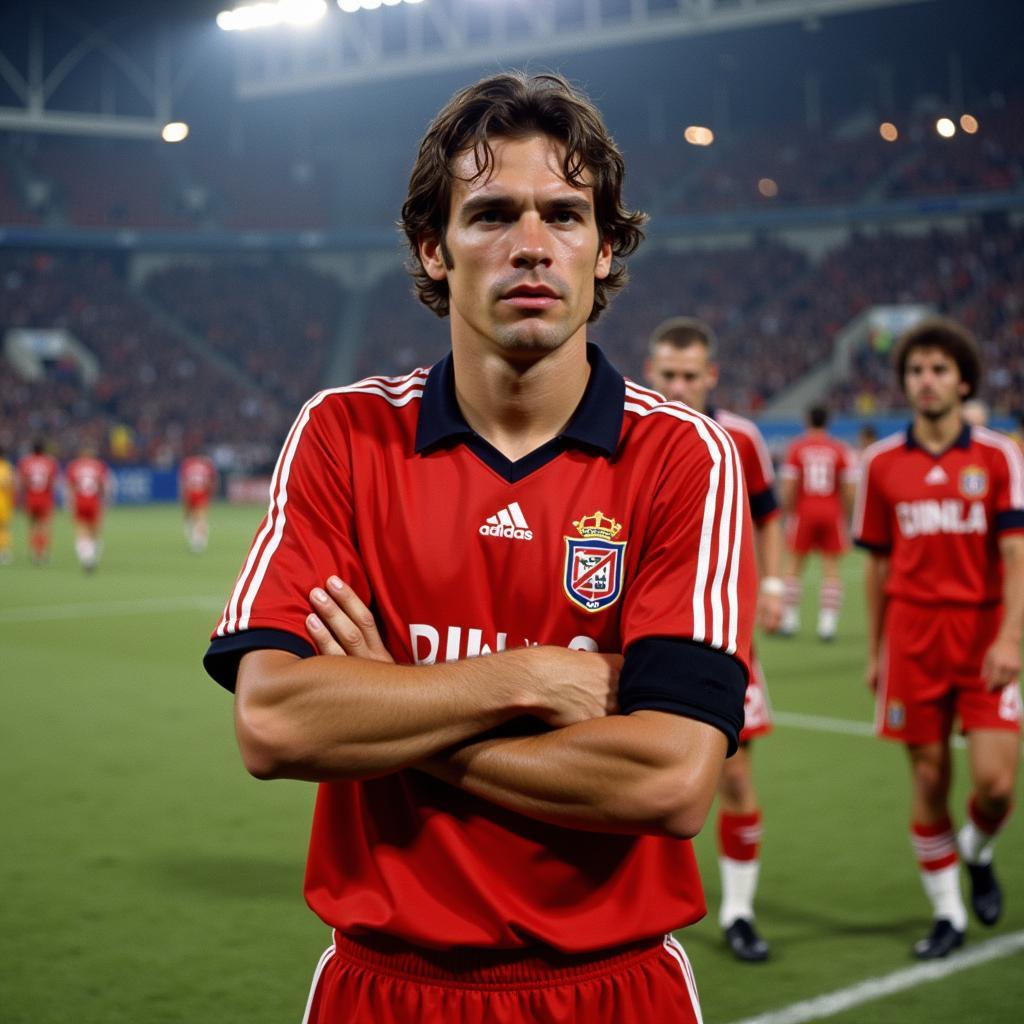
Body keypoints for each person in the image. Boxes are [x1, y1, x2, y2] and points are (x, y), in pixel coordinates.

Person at [204, 72, 756, 1023]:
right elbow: (277, 725)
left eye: (568, 216)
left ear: (607, 249)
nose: (532, 247)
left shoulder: (682, 454)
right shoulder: (344, 433)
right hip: (383, 986)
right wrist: (527, 678)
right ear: (434, 246)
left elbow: (669, 778)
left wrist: (393, 708)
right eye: (492, 213)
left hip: (611, 988)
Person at [854, 316, 1024, 959]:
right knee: (928, 781)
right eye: (916, 371)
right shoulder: (880, 464)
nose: (926, 381)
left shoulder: (999, 456)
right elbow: (874, 566)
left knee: (996, 783)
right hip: (912, 639)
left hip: (982, 638)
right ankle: (948, 913)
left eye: (939, 370)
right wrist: (875, 653)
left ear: (963, 380)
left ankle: (978, 852)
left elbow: (1016, 557)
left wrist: (1010, 641)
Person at [644, 316, 782, 963]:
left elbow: (767, 517)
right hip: (640, 641)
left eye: (689, 376)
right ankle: (637, 906)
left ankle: (738, 911)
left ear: (711, 376)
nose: (677, 387)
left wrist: (775, 587)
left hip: (725, 639)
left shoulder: (742, 439)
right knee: (633, 774)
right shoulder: (631, 432)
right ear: (651, 372)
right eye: (667, 375)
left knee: (733, 777)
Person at [778, 404, 856, 640]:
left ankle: (789, 620)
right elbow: (850, 488)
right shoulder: (840, 449)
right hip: (832, 511)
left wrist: (788, 512)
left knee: (793, 566)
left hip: (804, 510)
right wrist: (845, 514)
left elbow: (789, 487)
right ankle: (827, 625)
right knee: (831, 569)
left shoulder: (797, 448)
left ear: (807, 420)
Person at [65, 445, 112, 572]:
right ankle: (92, 556)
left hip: (79, 502)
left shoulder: (74, 466)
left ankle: (86, 558)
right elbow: (105, 485)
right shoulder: (99, 466)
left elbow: (70, 487)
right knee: (94, 531)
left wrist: (69, 503)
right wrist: (106, 500)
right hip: (94, 502)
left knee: (81, 530)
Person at [16, 440, 59, 565]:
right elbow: (52, 483)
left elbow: (22, 482)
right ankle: (44, 553)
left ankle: (34, 553)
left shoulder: (25, 462)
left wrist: (19, 499)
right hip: (45, 499)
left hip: (31, 498)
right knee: (44, 527)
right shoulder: (50, 462)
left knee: (32, 527)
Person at [179, 453, 217, 553]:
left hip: (190, 492)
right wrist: (211, 494)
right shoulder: (206, 465)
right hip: (201, 492)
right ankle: (198, 539)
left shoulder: (187, 464)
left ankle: (197, 539)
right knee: (199, 517)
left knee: (192, 517)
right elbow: (211, 481)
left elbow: (183, 481)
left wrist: (182, 494)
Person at [0, 446, 14, 565]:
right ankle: (4, 552)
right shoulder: (6, 467)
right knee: (4, 527)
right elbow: (8, 484)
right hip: (3, 502)